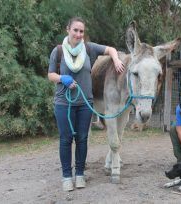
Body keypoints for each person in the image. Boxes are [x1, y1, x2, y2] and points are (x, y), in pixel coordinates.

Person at [48, 17, 124, 191]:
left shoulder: (89, 49)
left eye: (81, 31)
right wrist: (62, 78)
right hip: (63, 103)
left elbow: (110, 49)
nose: (78, 34)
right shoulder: (58, 51)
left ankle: (80, 174)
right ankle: (67, 176)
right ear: (68, 29)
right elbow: (50, 74)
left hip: (84, 104)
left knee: (82, 139)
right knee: (66, 139)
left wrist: (116, 59)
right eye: (75, 30)